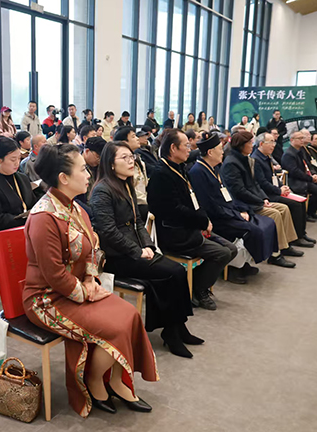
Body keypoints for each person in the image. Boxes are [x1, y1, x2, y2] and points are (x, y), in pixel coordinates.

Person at [24, 143, 158, 417]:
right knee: (115, 327)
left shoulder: (76, 208)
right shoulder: (44, 217)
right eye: (83, 169)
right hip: (46, 298)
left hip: (76, 289)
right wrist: (86, 292)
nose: (89, 175)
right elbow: (53, 275)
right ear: (64, 178)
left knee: (130, 315)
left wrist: (90, 279)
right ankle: (95, 381)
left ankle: (118, 381)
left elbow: (91, 250)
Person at [91, 142, 199, 358]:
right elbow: (108, 232)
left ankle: (178, 327)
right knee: (174, 272)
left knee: (175, 273)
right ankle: (172, 332)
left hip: (135, 249)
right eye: (124, 158)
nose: (131, 161)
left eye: (131, 156)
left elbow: (138, 222)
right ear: (111, 164)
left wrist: (148, 245)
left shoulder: (125, 184)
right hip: (116, 256)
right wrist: (137, 251)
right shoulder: (102, 190)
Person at [147, 129, 235, 310]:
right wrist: (201, 222)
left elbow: (193, 200)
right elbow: (174, 211)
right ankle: (198, 290)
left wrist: (204, 220)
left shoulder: (179, 167)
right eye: (186, 145)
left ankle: (194, 284)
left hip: (189, 226)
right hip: (175, 232)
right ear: (173, 148)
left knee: (231, 249)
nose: (190, 149)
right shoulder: (161, 173)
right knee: (223, 253)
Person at [189, 132, 277, 276]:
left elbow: (227, 195)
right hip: (217, 218)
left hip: (227, 211)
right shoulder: (198, 171)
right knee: (252, 230)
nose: (223, 152)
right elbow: (209, 205)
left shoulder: (215, 168)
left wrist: (242, 209)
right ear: (210, 152)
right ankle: (233, 268)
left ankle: (244, 262)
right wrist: (235, 214)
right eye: (220, 149)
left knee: (266, 223)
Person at [222, 132, 301, 267]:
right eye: (249, 143)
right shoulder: (232, 163)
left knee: (284, 208)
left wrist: (263, 198)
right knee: (275, 214)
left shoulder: (245, 159)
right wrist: (259, 201)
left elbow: (255, 184)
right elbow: (239, 191)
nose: (252, 145)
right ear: (241, 145)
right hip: (243, 204)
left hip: (254, 200)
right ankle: (275, 255)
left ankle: (285, 245)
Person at [252, 133, 316, 247]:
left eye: (274, 142)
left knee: (301, 201)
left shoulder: (267, 157)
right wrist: (279, 191)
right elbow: (262, 183)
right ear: (261, 144)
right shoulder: (256, 159)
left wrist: (283, 186)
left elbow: (274, 176)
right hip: (267, 194)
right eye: (270, 142)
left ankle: (301, 233)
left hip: (275, 190)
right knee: (295, 205)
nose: (273, 145)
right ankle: (296, 238)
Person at [0, 137, 36, 232]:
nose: (17, 163)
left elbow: (32, 203)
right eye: (13, 159)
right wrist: (25, 220)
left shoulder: (22, 178)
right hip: (6, 233)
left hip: (29, 228)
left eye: (19, 158)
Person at [281, 131, 317, 220]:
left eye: (302, 138)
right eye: (299, 138)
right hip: (296, 181)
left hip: (305, 178)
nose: (302, 140)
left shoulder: (300, 151)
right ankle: (308, 213)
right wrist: (310, 178)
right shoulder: (289, 154)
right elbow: (295, 172)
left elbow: (308, 164)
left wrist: (313, 174)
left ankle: (312, 211)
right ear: (292, 140)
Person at [114, 127, 149, 220]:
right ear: (124, 142)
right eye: (133, 137)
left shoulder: (138, 159)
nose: (137, 138)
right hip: (134, 206)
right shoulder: (121, 165)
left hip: (143, 203)